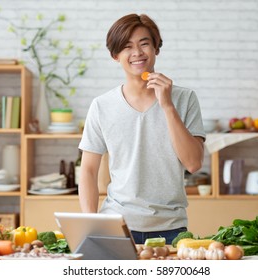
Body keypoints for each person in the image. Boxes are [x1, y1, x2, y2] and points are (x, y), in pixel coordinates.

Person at [78, 13, 206, 244]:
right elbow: (88, 170)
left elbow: (194, 163)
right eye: (127, 47)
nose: (137, 53)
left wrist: (167, 106)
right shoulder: (101, 106)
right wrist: (91, 224)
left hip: (171, 228)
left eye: (144, 43)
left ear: (156, 48)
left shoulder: (185, 99)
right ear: (115, 55)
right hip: (116, 224)